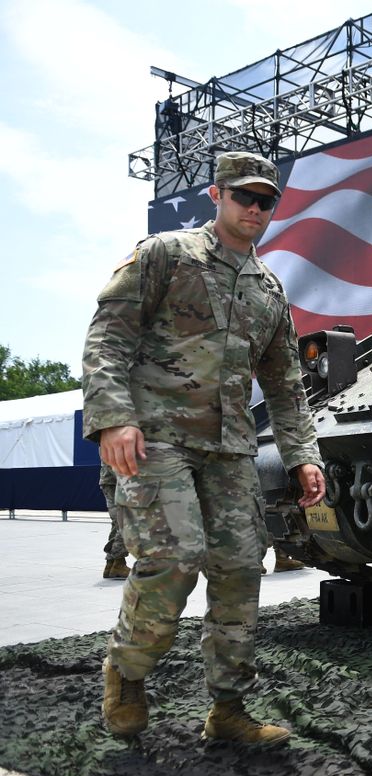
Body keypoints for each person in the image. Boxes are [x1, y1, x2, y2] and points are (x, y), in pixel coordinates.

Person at [82, 151, 326, 743]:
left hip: (230, 450)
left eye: (267, 200)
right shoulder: (166, 255)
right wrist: (114, 418)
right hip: (154, 438)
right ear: (216, 197)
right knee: (175, 556)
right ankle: (128, 673)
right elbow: (108, 335)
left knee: (243, 569)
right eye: (244, 196)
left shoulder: (269, 288)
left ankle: (227, 711)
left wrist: (303, 455)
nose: (256, 208)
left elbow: (286, 384)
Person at [99, 464, 130, 579]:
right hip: (118, 479)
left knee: (118, 523)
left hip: (109, 479)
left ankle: (111, 564)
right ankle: (118, 562)